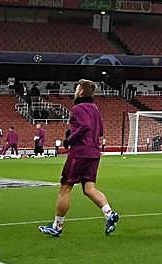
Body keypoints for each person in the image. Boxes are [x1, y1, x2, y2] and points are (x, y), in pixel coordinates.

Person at [39, 79, 120, 237]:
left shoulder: (78, 108)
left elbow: (85, 126)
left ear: (81, 91)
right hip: (94, 152)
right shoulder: (95, 108)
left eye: (77, 88)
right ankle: (109, 214)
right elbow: (100, 131)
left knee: (65, 188)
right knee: (89, 188)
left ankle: (57, 226)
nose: (75, 90)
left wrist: (69, 139)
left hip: (80, 152)